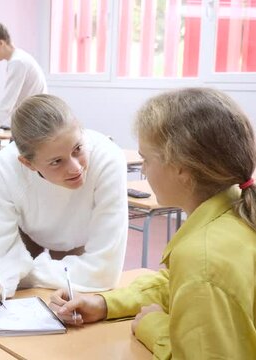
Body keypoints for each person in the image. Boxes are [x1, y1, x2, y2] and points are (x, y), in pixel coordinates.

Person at [49, 88, 256, 358]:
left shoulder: (202, 259)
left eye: (146, 159)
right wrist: (105, 303)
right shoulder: (234, 210)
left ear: (181, 167)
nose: (143, 170)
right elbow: (176, 286)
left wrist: (156, 327)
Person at [0, 94, 128, 316]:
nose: (75, 168)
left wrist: (16, 272)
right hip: (29, 237)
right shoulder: (5, 167)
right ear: (27, 163)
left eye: (77, 148)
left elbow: (104, 270)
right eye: (56, 161)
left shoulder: (108, 158)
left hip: (78, 242)